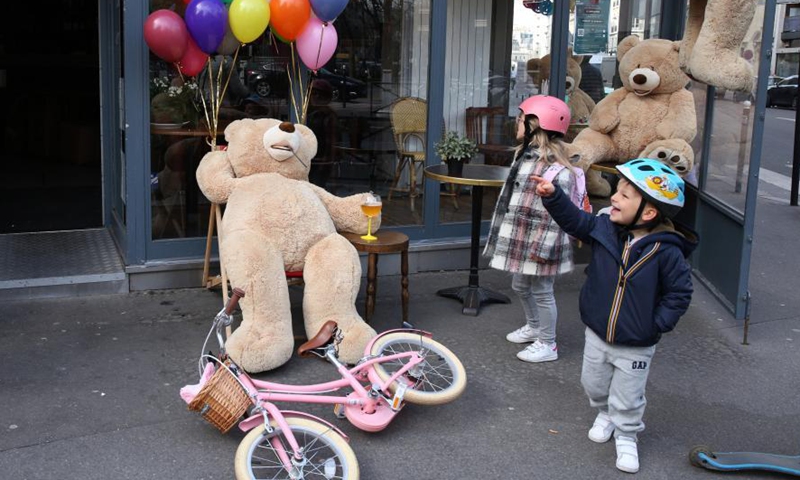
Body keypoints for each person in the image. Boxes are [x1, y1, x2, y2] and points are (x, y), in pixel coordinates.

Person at [533, 158, 698, 474]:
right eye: (616, 192)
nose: (613, 199)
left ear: (647, 213)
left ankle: (626, 436)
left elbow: (679, 294)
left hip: (637, 343)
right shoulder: (606, 228)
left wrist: (656, 325)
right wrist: (553, 196)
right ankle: (605, 412)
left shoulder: (667, 251)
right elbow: (576, 221)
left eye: (624, 196)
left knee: (628, 395)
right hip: (597, 333)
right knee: (593, 384)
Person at [483, 95, 576, 363]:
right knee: (520, 284)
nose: (517, 123)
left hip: (540, 243)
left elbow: (557, 217)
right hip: (523, 238)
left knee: (542, 291)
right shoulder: (524, 157)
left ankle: (548, 344)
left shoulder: (557, 170)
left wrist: (541, 249)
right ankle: (535, 326)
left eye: (521, 119)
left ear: (537, 125)